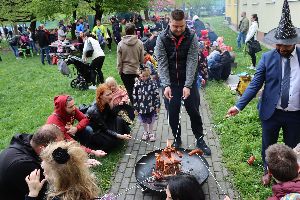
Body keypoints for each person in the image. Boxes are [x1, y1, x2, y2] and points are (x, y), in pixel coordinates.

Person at [227, 0, 300, 186]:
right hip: (271, 112)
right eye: (278, 44)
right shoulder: (267, 58)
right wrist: (238, 105)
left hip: (296, 115)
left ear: (293, 42)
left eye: (285, 45)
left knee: (292, 149)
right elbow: (254, 84)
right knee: (268, 145)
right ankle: (268, 171)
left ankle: (290, 177)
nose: (281, 48)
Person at [155, 9, 211, 155]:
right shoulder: (161, 38)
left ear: (185, 23)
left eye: (182, 26)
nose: (179, 29)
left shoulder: (192, 36)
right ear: (170, 22)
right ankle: (177, 139)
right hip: (171, 84)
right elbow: (162, 63)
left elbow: (192, 60)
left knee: (194, 112)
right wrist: (166, 85)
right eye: (175, 26)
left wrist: (188, 85)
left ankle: (200, 139)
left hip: (189, 82)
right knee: (172, 114)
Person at [0, 124, 64, 200]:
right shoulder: (26, 165)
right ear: (43, 148)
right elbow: (50, 194)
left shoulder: (25, 142)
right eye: (57, 147)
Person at [25, 141, 99, 200]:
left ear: (59, 179)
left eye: (47, 172)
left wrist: (32, 194)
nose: (43, 173)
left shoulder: (57, 198)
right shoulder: (86, 185)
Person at [86, 84, 132, 152]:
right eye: (108, 95)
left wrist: (111, 105)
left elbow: (113, 116)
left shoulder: (107, 102)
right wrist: (119, 136)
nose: (111, 96)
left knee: (120, 120)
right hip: (97, 131)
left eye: (111, 93)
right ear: (101, 96)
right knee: (112, 141)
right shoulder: (94, 111)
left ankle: (124, 135)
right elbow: (104, 129)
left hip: (105, 124)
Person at [117, 22, 144, 104]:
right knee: (139, 89)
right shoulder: (139, 43)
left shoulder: (120, 44)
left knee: (129, 90)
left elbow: (119, 61)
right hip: (137, 71)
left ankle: (134, 104)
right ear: (134, 31)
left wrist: (119, 71)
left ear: (125, 31)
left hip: (126, 72)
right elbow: (142, 59)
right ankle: (140, 104)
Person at [133, 67, 160, 142]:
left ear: (148, 75)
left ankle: (151, 132)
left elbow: (156, 94)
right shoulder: (137, 84)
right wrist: (135, 108)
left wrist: (157, 105)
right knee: (143, 120)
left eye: (145, 76)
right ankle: (145, 132)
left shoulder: (152, 83)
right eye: (141, 76)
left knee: (151, 120)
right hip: (141, 108)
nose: (143, 78)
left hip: (150, 106)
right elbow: (134, 96)